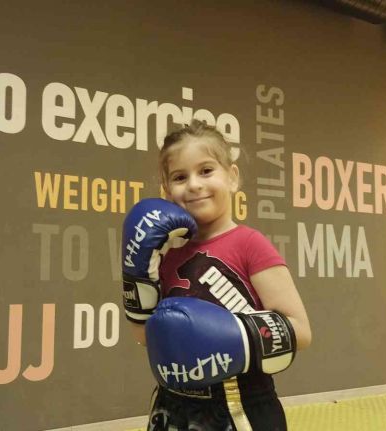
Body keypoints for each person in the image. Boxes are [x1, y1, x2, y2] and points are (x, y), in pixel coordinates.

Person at [122, 119, 312, 431]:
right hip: (173, 404)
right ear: (166, 191)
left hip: (241, 403)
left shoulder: (250, 244)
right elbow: (145, 337)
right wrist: (136, 274)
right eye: (180, 177)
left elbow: (301, 331)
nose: (194, 184)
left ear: (232, 177)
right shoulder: (165, 256)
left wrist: (234, 337)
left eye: (206, 170)